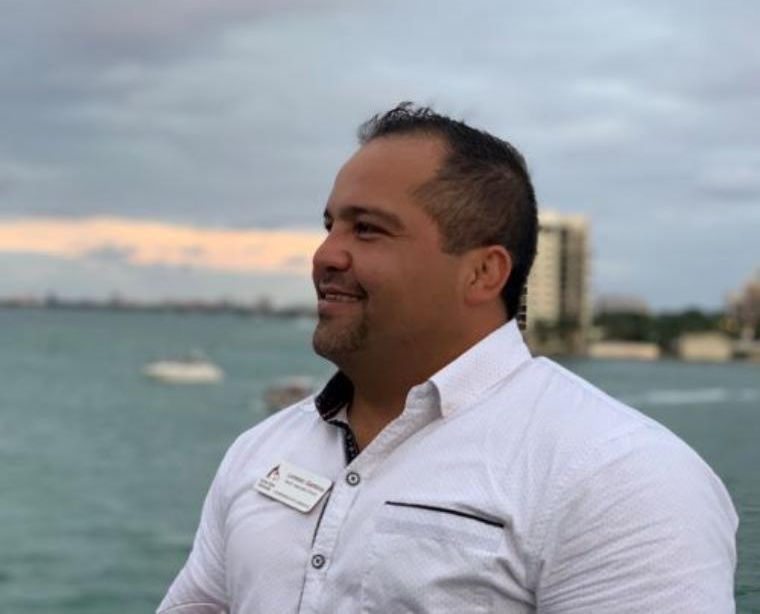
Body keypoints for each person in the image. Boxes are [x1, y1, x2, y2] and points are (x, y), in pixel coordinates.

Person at [158, 103, 738, 614]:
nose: (325, 254)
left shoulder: (620, 476)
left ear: (483, 272)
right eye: (330, 225)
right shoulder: (262, 451)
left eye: (368, 230)